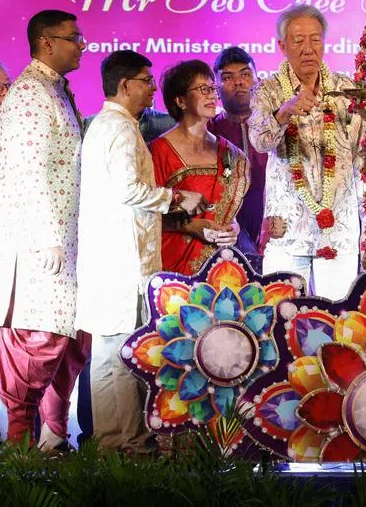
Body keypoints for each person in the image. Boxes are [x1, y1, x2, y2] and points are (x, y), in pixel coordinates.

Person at [75, 51, 206, 454]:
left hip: (110, 255)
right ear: (125, 85)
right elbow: (127, 190)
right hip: (120, 257)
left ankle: (112, 442)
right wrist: (178, 198)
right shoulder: (118, 128)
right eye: (146, 81)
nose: (152, 89)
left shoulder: (109, 125)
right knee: (120, 352)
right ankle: (128, 444)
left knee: (108, 353)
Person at [0, 10, 92, 449]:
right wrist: (47, 235)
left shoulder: (56, 90)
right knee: (38, 339)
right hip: (38, 244)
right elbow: (29, 170)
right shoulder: (30, 93)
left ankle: (52, 441)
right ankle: (19, 451)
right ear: (46, 43)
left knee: (68, 341)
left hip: (65, 240)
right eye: (73, 38)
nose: (82, 45)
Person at [248, 6, 364, 299]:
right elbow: (259, 142)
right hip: (287, 231)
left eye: (315, 39)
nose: (308, 49)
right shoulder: (266, 91)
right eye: (298, 41)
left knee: (338, 319)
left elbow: (362, 156)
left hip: (338, 230)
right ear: (282, 46)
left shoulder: (346, 89)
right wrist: (283, 113)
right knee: (282, 316)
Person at [152, 60, 248, 274]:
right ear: (181, 100)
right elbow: (146, 214)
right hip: (172, 271)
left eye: (213, 89)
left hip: (219, 270)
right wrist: (192, 227)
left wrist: (233, 228)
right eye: (204, 89)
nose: (212, 96)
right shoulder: (159, 151)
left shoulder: (231, 154)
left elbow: (226, 210)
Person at [209, 47, 267, 257]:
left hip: (275, 229)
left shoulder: (275, 128)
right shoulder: (208, 131)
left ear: (258, 81)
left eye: (245, 74)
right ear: (216, 88)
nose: (238, 82)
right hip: (224, 236)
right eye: (228, 77)